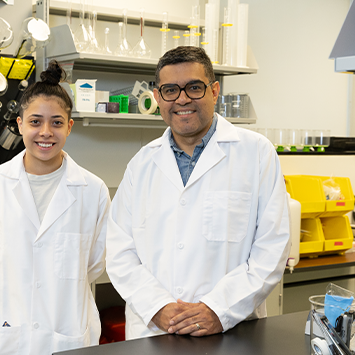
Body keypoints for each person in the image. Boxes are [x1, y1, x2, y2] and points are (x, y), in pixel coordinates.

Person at [106, 46, 291, 340]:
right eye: (170, 90)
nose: (182, 99)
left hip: (231, 329)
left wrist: (217, 310)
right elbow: (119, 252)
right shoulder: (141, 164)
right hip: (154, 331)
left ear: (214, 91)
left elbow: (272, 248)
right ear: (157, 97)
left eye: (194, 87)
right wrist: (158, 307)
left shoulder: (256, 153)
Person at [0, 60, 110, 355]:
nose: (46, 131)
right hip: (3, 334)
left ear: (69, 127)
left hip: (65, 331)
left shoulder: (92, 190)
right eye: (35, 121)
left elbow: (94, 263)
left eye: (56, 122)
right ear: (20, 124)